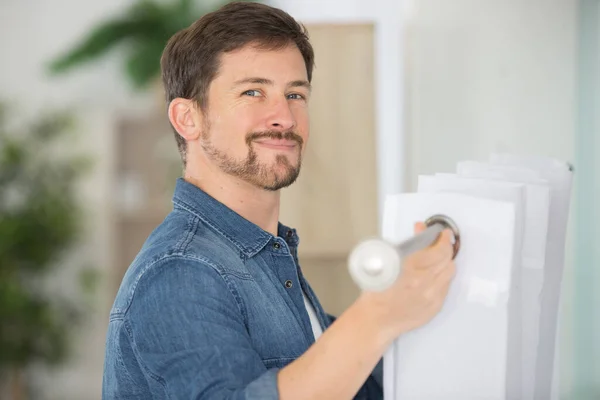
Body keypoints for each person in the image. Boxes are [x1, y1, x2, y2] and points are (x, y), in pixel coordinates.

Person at [102, 2, 456, 399]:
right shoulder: (182, 271)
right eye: (253, 92)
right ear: (188, 118)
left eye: (295, 94)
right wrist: (376, 317)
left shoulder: (266, 258)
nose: (284, 117)